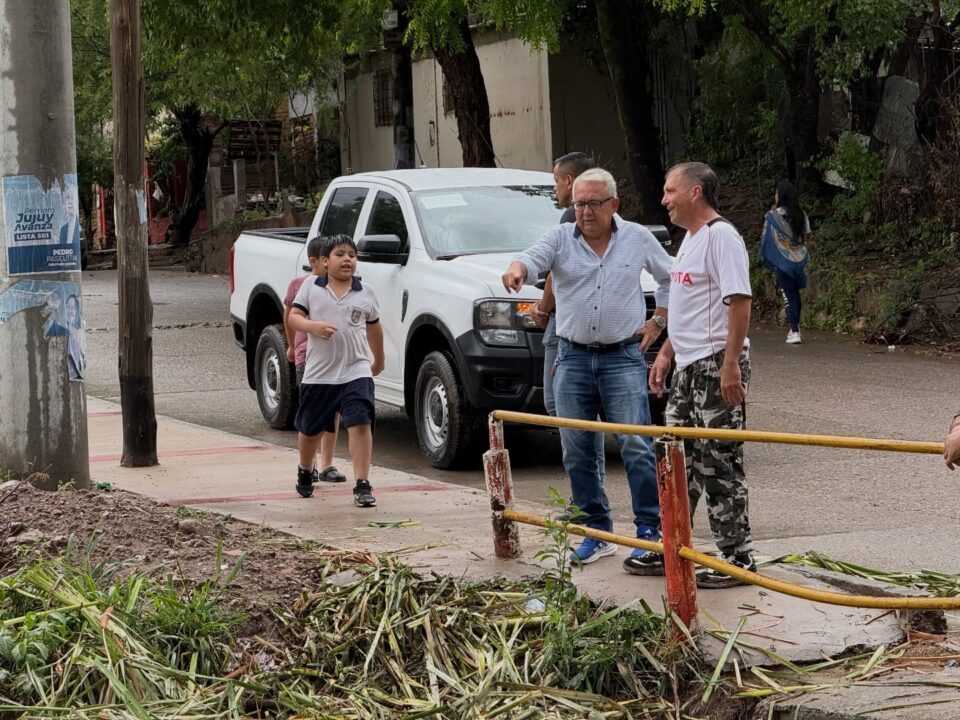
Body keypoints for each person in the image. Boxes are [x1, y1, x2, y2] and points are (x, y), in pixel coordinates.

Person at [502, 167, 672, 567]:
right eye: (579, 203)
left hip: (623, 357)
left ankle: (650, 529)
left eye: (594, 203)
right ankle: (594, 530)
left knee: (635, 444)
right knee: (577, 448)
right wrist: (517, 269)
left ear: (613, 204)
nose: (586, 212)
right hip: (573, 356)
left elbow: (671, 277)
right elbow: (532, 258)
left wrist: (660, 321)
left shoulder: (637, 238)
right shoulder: (561, 238)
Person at [648, 162, 755, 589]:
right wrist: (666, 353)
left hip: (716, 366)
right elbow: (689, 309)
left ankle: (736, 557)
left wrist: (730, 365)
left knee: (719, 462)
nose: (664, 199)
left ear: (695, 193)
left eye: (670, 190)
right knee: (676, 459)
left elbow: (740, 302)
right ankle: (673, 546)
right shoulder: (689, 241)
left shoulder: (721, 238)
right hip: (688, 365)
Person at [288, 234, 385, 507]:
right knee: (309, 430)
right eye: (340, 254)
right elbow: (294, 317)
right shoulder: (311, 287)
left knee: (360, 421)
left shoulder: (365, 292)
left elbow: (374, 328)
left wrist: (377, 360)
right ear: (324, 262)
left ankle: (362, 483)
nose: (347, 260)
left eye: (352, 255)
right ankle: (306, 469)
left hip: (356, 370)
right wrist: (313, 327)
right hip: (319, 374)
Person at [284, 271, 343, 484]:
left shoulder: (342, 287)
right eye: (324, 260)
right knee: (311, 411)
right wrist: (291, 346)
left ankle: (327, 464)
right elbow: (289, 315)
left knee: (333, 411)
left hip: (333, 360)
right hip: (306, 357)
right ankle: (310, 466)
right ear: (314, 261)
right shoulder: (300, 284)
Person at [760, 180, 810, 344]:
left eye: (776, 193)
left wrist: (770, 256)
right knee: (796, 294)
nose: (775, 196)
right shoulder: (801, 214)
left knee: (788, 295)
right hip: (800, 260)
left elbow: (766, 238)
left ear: (781, 196)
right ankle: (796, 327)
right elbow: (806, 234)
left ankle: (794, 331)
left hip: (783, 260)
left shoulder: (773, 216)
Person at [65, 293, 85, 381]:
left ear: (77, 310)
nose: (70, 310)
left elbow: (80, 346)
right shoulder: (62, 325)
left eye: (73, 308)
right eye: (68, 307)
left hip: (76, 366)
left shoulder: (79, 326)